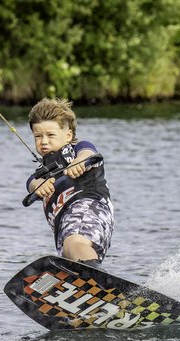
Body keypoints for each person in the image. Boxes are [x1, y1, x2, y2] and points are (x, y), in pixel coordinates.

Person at [25, 97, 113, 268]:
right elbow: (31, 183)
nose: (44, 141)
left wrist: (78, 163)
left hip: (88, 209)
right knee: (68, 253)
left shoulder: (77, 150)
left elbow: (88, 153)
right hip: (66, 228)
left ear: (68, 135)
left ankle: (92, 274)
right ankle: (88, 274)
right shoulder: (41, 174)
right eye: (38, 136)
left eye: (50, 135)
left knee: (73, 243)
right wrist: (38, 187)